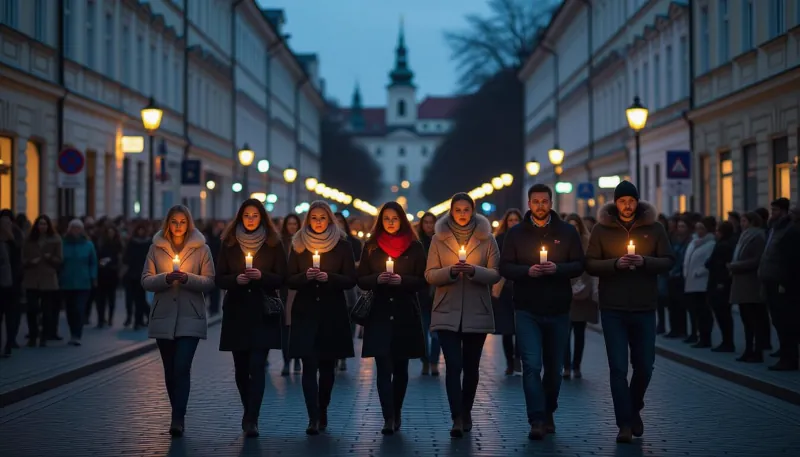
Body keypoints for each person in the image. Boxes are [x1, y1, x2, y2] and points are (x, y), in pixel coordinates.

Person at [585, 181, 674, 443]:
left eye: (631, 201)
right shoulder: (602, 230)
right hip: (613, 308)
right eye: (622, 201)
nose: (627, 205)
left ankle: (634, 407)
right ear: (615, 203)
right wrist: (615, 263)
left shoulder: (654, 228)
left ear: (638, 203)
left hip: (645, 307)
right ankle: (624, 423)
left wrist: (645, 261)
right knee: (618, 368)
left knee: (645, 365)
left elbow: (668, 260)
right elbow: (590, 263)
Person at [499, 185, 584, 440]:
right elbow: (505, 266)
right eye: (535, 201)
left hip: (558, 309)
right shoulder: (515, 234)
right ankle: (536, 418)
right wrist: (527, 271)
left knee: (555, 368)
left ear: (551, 203)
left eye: (544, 201)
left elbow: (579, 264)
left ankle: (549, 412)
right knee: (532, 365)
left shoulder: (566, 232)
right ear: (528, 203)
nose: (539, 206)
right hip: (527, 308)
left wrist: (556, 269)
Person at [425, 193, 500, 438]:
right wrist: (451, 271)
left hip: (476, 311)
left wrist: (474, 270)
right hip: (447, 309)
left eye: (466, 209)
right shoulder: (438, 239)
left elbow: (495, 273)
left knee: (471, 367)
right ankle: (456, 415)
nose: (462, 214)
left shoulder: (487, 239)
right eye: (457, 210)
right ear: (451, 212)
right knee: (453, 365)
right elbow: (430, 274)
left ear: (473, 211)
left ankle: (467, 410)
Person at [141, 205, 215, 437]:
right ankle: (176, 410)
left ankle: (177, 418)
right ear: (168, 223)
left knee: (182, 367)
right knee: (170, 369)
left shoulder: (201, 249)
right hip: (164, 316)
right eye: (174, 221)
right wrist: (165, 278)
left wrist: (186, 278)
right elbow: (146, 280)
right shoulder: (156, 248)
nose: (178, 226)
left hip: (190, 316)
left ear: (189, 223)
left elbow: (209, 281)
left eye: (183, 221)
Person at [215, 199, 287, 437]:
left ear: (262, 218)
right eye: (247, 215)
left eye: (255, 215)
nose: (251, 219)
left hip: (262, 312)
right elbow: (219, 278)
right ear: (240, 217)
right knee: (240, 367)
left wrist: (261, 276)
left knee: (257, 366)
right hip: (236, 312)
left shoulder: (273, 243)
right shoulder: (229, 243)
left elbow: (282, 277)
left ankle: (251, 417)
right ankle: (248, 408)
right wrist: (236, 279)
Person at [286, 201, 356, 435]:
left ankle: (323, 408)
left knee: (327, 367)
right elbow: (289, 278)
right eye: (314, 217)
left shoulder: (342, 245)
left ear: (329, 220)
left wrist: (330, 278)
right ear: (308, 220)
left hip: (332, 312)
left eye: (322, 217)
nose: (318, 222)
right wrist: (305, 276)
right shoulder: (298, 243)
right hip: (305, 312)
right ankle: (312, 416)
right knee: (309, 365)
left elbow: (350, 280)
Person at [357, 201, 427, 434]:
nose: (390, 222)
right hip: (379, 313)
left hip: (405, 312)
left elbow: (422, 280)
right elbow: (361, 279)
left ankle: (397, 411)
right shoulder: (371, 246)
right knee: (383, 366)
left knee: (401, 368)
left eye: (394, 218)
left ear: (402, 220)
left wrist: (403, 281)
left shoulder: (415, 247)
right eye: (386, 218)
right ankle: (387, 416)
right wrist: (378, 278)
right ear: (380, 221)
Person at [758, 198, 798, 371]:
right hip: (770, 281)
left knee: (785, 322)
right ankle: (785, 354)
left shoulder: (789, 230)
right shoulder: (774, 229)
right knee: (778, 321)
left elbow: (789, 260)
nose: (772, 213)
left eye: (774, 210)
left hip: (781, 284)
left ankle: (789, 358)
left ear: (783, 211)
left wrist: (783, 282)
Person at [729, 212, 768, 363]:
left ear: (752, 222)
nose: (742, 224)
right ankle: (748, 349)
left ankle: (757, 351)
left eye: (744, 221)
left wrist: (735, 265)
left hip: (751, 283)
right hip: (741, 282)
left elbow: (757, 259)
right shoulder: (744, 235)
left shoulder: (758, 236)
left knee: (754, 318)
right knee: (746, 319)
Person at [563, 213, 597, 379]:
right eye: (570, 225)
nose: (573, 228)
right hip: (564, 292)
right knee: (564, 332)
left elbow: (592, 266)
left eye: (576, 225)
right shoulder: (561, 241)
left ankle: (577, 366)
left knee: (579, 331)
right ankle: (566, 366)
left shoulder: (587, 242)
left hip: (583, 290)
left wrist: (588, 286)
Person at [21, 215, 62, 348]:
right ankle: (33, 335)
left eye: (44, 224)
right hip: (32, 278)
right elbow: (22, 258)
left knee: (47, 310)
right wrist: (29, 262)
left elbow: (60, 260)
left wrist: (50, 258)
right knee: (32, 309)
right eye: (40, 224)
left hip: (48, 278)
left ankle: (44, 336)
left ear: (48, 225)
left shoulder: (55, 239)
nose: (42, 226)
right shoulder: (29, 239)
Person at [492, 208, 522, 376]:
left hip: (521, 287)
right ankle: (509, 362)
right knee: (506, 328)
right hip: (504, 288)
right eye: (510, 220)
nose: (512, 223)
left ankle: (518, 358)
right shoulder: (499, 239)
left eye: (515, 220)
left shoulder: (525, 238)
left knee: (520, 326)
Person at [61, 219, 98, 346]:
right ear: (69, 229)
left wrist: (93, 277)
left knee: (79, 308)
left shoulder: (88, 245)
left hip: (83, 282)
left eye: (78, 228)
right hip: (67, 282)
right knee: (70, 309)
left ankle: (77, 334)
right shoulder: (63, 244)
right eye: (73, 228)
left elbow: (93, 262)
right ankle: (72, 332)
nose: (75, 230)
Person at [335, 211, 363, 372]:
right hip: (331, 285)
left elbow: (360, 261)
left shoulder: (353, 242)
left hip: (349, 287)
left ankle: (344, 354)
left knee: (348, 320)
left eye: (340, 221)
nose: (338, 224)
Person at [682, 217, 716, 347]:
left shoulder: (711, 244)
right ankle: (696, 335)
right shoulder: (693, 242)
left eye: (702, 228)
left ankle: (705, 338)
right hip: (690, 282)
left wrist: (699, 272)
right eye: (698, 228)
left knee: (703, 312)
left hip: (701, 283)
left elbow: (709, 262)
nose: (699, 231)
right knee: (694, 311)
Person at [704, 221, 736, 352]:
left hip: (719, 284)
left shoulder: (723, 246)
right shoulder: (724, 244)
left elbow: (716, 264)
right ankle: (727, 341)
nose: (716, 233)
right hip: (719, 282)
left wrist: (720, 283)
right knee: (723, 313)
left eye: (718, 230)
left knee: (722, 313)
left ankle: (727, 342)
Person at [416, 211, 440, 375]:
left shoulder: (440, 241)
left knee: (436, 332)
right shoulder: (417, 243)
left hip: (438, 291)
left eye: (432, 222)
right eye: (426, 223)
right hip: (421, 293)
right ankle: (424, 360)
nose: (429, 226)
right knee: (423, 332)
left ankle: (434, 362)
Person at [280, 213, 302, 376]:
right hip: (284, 290)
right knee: (285, 327)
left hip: (300, 288)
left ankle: (297, 359)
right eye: (290, 224)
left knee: (298, 326)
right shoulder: (280, 243)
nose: (292, 227)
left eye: (295, 224)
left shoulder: (302, 242)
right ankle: (287, 360)